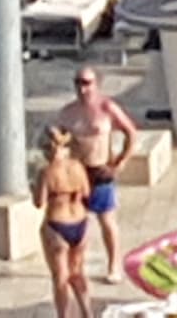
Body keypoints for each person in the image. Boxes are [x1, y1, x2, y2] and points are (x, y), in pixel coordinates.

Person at [55, 67, 138, 284]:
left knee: (107, 220)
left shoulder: (107, 108)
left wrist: (121, 161)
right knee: (76, 221)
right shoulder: (68, 112)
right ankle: (77, 265)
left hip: (100, 168)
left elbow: (131, 132)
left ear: (97, 84)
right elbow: (57, 140)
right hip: (77, 171)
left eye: (86, 83)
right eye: (78, 83)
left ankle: (114, 264)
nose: (82, 88)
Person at [33, 126, 94, 318]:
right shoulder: (77, 167)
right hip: (80, 222)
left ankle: (64, 315)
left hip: (57, 225)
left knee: (60, 277)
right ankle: (87, 312)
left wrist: (33, 187)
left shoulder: (46, 172)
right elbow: (86, 193)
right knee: (77, 272)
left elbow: (39, 202)